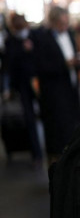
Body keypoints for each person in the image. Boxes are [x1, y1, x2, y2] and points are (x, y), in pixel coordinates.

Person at [32, 6, 80, 164]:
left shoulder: (69, 34)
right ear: (53, 22)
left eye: (66, 23)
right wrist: (65, 64)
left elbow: (73, 55)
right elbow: (40, 67)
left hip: (71, 89)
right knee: (58, 130)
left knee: (74, 124)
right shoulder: (42, 38)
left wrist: (78, 63)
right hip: (54, 92)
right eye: (62, 23)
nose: (65, 26)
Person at [2, 13, 44, 166]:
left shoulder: (35, 37)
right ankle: (36, 153)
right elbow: (9, 65)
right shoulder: (11, 42)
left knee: (46, 114)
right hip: (23, 86)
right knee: (29, 119)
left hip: (38, 82)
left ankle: (47, 149)